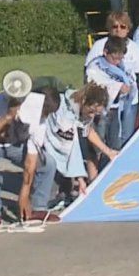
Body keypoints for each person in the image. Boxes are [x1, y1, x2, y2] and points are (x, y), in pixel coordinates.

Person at [0, 84, 56, 231]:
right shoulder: (0, 99)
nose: (44, 117)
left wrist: (24, 195)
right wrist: (9, 115)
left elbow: (31, 160)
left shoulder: (40, 120)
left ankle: (38, 208)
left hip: (11, 144)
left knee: (48, 164)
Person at [26, 83, 117, 215]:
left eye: (96, 113)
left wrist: (108, 151)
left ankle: (64, 192)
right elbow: (67, 149)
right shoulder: (64, 115)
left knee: (76, 161)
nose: (92, 116)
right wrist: (80, 178)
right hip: (40, 140)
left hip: (61, 144)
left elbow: (88, 130)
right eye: (91, 111)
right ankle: (39, 203)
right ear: (84, 101)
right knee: (50, 167)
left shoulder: (82, 107)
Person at [84, 12, 139, 149]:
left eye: (123, 26)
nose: (118, 29)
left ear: (128, 29)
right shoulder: (99, 46)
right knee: (99, 144)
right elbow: (89, 74)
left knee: (125, 141)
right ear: (109, 28)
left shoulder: (134, 48)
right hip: (103, 104)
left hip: (129, 102)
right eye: (114, 26)